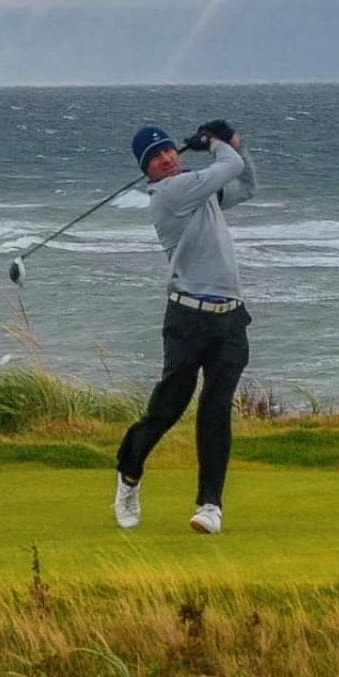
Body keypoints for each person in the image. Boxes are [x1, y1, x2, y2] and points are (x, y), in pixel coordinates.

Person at [114, 119, 257, 534]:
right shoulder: (171, 194)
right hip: (187, 319)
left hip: (230, 318)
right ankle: (128, 474)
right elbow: (226, 168)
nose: (165, 159)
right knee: (167, 410)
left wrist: (233, 144)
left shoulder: (197, 189)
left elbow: (245, 184)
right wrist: (216, 143)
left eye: (168, 150)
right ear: (148, 170)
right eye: (155, 157)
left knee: (216, 410)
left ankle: (209, 505)